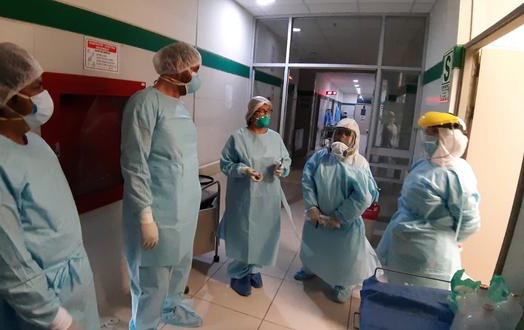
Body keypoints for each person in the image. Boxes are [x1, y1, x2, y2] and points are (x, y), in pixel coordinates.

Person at [0, 42, 99, 330]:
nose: (44, 96)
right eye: (36, 88)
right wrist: (59, 321)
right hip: (26, 312)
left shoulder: (35, 143)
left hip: (70, 288)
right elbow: (2, 262)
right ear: (7, 98)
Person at [120, 42, 203, 330]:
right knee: (152, 279)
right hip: (157, 210)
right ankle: (143, 324)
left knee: (179, 269)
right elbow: (135, 162)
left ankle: (172, 308)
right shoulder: (144, 102)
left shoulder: (179, 107)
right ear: (177, 69)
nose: (197, 76)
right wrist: (145, 215)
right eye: (194, 69)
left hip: (185, 209)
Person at [376, 112, 480, 289]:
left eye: (432, 133)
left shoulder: (456, 174)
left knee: (423, 302)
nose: (427, 138)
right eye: (427, 133)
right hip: (402, 245)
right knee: (397, 295)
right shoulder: (423, 164)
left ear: (447, 137)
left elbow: (469, 221)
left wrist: (452, 238)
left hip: (431, 255)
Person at [294, 118, 380, 303]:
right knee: (313, 245)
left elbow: (363, 196)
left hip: (345, 223)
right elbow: (307, 180)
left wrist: (339, 217)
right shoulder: (320, 157)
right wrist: (312, 207)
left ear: (355, 138)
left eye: (347, 133)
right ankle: (310, 269)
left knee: (345, 254)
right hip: (316, 217)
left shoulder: (359, 163)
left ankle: (344, 283)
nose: (341, 136)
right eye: (338, 132)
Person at [219, 96, 291, 296]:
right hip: (244, 197)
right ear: (252, 113)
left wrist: (282, 168)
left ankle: (254, 269)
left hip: (268, 197)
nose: (266, 115)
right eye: (262, 111)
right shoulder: (238, 137)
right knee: (244, 233)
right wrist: (243, 170)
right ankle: (238, 273)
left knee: (264, 234)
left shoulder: (275, 138)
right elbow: (225, 164)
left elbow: (285, 158)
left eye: (269, 112)